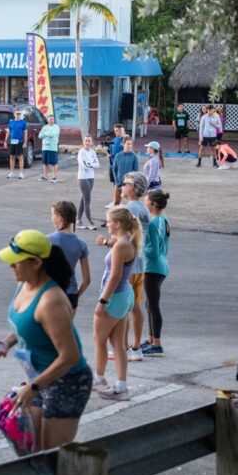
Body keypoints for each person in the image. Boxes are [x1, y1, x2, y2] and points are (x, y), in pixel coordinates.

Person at [0, 229, 93, 475]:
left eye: (16, 263)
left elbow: (70, 357)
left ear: (36, 263)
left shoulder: (51, 299)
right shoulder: (25, 285)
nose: (11, 268)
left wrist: (33, 386)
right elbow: (24, 324)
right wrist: (8, 342)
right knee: (30, 446)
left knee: (56, 457)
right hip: (39, 379)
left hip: (66, 381)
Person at [93, 206, 141, 401]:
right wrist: (107, 242)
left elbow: (114, 276)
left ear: (118, 224)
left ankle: (99, 378)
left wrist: (102, 301)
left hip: (114, 296)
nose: (107, 224)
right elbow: (115, 245)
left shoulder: (121, 246)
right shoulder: (127, 242)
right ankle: (121, 386)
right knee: (118, 344)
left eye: (109, 221)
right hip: (125, 296)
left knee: (99, 340)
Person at [120, 172, 150, 361]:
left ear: (132, 187)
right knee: (135, 307)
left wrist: (108, 243)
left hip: (128, 265)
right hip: (140, 264)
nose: (122, 186)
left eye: (125, 183)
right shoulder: (142, 208)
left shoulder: (130, 208)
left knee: (123, 308)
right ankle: (136, 347)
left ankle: (122, 347)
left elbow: (124, 236)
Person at [142, 190, 170, 357]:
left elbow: (152, 251)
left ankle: (157, 343)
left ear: (154, 204)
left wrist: (139, 247)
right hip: (161, 264)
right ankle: (151, 339)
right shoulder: (163, 219)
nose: (145, 202)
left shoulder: (153, 223)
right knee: (149, 304)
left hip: (153, 267)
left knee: (153, 305)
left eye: (147, 200)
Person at [47, 201, 91, 312]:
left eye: (53, 215)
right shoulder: (81, 244)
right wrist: (76, 295)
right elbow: (87, 280)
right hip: (71, 294)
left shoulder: (47, 240)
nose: (51, 218)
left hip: (51, 293)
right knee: (66, 329)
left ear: (60, 217)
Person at [76, 136, 100, 230]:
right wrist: (91, 164)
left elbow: (98, 164)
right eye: (86, 140)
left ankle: (78, 220)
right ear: (83, 142)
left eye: (89, 141)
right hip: (82, 177)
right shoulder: (81, 152)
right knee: (87, 200)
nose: (87, 142)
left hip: (91, 177)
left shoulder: (92, 152)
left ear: (91, 142)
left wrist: (90, 164)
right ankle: (90, 222)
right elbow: (84, 165)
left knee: (84, 199)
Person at [106, 124, 126, 207]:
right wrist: (108, 154)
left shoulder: (125, 140)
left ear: (122, 130)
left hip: (120, 166)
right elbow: (110, 150)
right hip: (112, 165)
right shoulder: (114, 140)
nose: (116, 132)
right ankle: (115, 201)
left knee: (119, 185)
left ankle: (118, 202)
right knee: (114, 184)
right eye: (115, 131)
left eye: (118, 130)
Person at [38, 114, 60, 183]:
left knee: (53, 163)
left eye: (52, 119)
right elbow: (40, 136)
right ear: (47, 120)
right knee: (44, 163)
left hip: (52, 148)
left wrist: (45, 133)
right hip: (45, 147)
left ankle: (54, 177)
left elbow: (52, 134)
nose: (51, 120)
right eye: (50, 119)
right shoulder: (45, 127)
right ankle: (45, 176)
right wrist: (47, 133)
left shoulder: (56, 127)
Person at [7, 109, 28, 179]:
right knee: (12, 157)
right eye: (17, 114)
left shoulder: (23, 123)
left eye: (19, 114)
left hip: (20, 142)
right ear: (14, 114)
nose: (18, 115)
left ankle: (21, 173)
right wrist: (5, 141)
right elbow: (8, 132)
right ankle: (11, 172)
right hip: (12, 141)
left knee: (20, 157)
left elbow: (25, 133)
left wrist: (25, 142)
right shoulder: (11, 122)